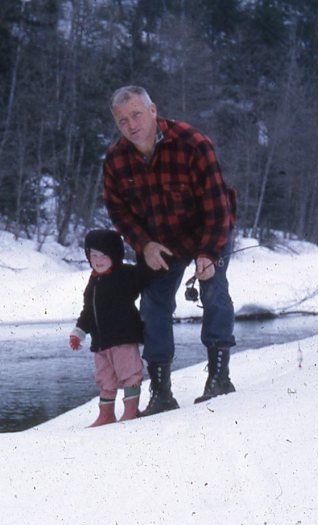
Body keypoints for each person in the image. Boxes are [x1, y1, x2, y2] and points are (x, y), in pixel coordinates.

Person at [102, 85, 237, 416]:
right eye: (122, 121)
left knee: (214, 291)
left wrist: (208, 253)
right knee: (153, 307)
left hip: (208, 228)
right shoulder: (116, 160)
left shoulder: (193, 143)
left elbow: (218, 207)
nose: (131, 125)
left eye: (136, 115)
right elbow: (117, 210)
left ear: (152, 110)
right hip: (160, 242)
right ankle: (161, 392)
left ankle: (219, 378)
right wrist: (143, 244)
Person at [69, 229, 144, 426]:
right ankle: (106, 414)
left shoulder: (126, 274)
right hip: (101, 343)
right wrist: (79, 331)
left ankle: (131, 411)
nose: (98, 260)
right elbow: (88, 310)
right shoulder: (94, 281)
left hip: (123, 339)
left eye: (103, 255)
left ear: (115, 255)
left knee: (130, 374)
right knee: (105, 379)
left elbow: (147, 275)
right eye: (93, 255)